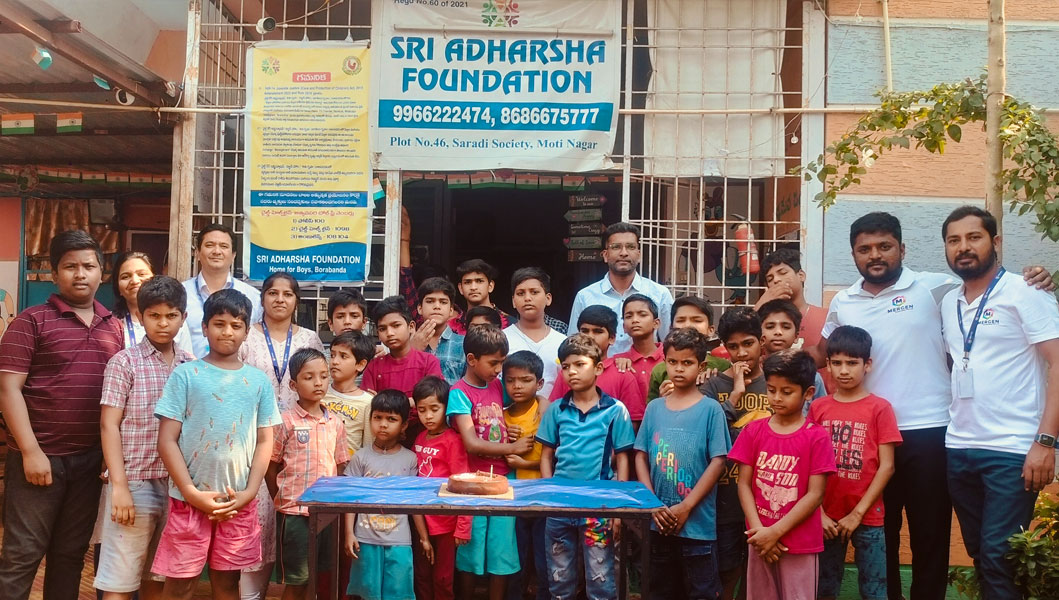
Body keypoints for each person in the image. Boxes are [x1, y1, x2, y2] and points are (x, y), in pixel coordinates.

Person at [815, 211, 1053, 600]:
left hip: (931, 432)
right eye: (865, 249)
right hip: (871, 436)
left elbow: (991, 283)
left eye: (885, 246)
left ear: (902, 248)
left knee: (930, 534)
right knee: (880, 534)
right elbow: (821, 353)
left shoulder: (937, 288)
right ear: (853, 254)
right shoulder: (843, 301)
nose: (875, 255)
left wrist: (1038, 276)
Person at [938, 206, 1059, 599]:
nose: (963, 247)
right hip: (960, 447)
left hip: (1012, 449)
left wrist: (1045, 442)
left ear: (996, 242)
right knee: (981, 554)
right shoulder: (949, 302)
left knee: (998, 556)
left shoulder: (1026, 291)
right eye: (954, 240)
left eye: (974, 237)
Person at [0, 230, 124, 600]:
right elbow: (8, 389)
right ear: (55, 274)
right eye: (70, 267)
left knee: (70, 556)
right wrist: (31, 451)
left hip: (89, 463)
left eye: (89, 266)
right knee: (21, 556)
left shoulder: (113, 326)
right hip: (39, 461)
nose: (80, 274)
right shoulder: (31, 321)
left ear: (101, 273)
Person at [151, 288, 280, 600]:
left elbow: (266, 441)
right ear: (204, 327)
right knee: (180, 584)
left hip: (237, 502)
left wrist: (250, 492)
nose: (227, 332)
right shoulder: (185, 375)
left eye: (236, 325)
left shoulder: (259, 381)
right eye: (219, 324)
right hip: (188, 500)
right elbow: (166, 440)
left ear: (246, 332)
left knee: (227, 584)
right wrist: (191, 493)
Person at [95, 276, 196, 600]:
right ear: (140, 315)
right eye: (154, 315)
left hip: (177, 486)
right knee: (120, 581)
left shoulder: (191, 366)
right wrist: (119, 486)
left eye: (171, 315)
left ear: (183, 317)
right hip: (134, 482)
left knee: (158, 577)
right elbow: (109, 425)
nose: (163, 323)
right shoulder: (124, 363)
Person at [238, 271, 324, 599]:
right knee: (256, 524)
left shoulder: (310, 339)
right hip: (252, 444)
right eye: (272, 292)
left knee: (294, 528)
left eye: (287, 294)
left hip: (299, 448)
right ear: (262, 298)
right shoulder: (246, 336)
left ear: (296, 301)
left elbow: (319, 386)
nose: (279, 299)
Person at [536, 333, 636, 600]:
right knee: (559, 579)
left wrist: (618, 509)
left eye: (580, 364)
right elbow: (546, 456)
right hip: (559, 506)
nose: (572, 372)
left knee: (600, 577)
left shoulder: (615, 410)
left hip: (598, 507)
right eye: (566, 366)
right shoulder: (556, 410)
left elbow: (623, 458)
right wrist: (549, 494)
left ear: (598, 368)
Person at [729, 350, 835, 600]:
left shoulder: (817, 437)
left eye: (787, 392)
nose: (777, 398)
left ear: (808, 393)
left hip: (799, 544)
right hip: (759, 540)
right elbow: (743, 484)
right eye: (771, 390)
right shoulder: (753, 431)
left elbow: (815, 495)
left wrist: (775, 532)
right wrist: (759, 532)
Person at [634, 328, 730, 600]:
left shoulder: (711, 409)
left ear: (702, 366)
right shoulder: (655, 408)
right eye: (673, 362)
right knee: (660, 591)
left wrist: (686, 506)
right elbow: (640, 455)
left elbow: (718, 461)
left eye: (687, 362)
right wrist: (651, 503)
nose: (679, 368)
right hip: (657, 521)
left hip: (698, 527)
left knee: (701, 592)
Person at [808, 326, 900, 600]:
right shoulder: (818, 408)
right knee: (823, 589)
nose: (844, 370)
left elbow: (887, 466)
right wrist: (818, 513)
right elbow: (808, 463)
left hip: (867, 516)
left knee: (875, 590)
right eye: (837, 363)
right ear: (828, 365)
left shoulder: (880, 408)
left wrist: (857, 514)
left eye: (852, 363)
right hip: (826, 517)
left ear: (867, 364)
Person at [447, 325, 532, 600]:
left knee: (501, 549)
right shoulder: (459, 392)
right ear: (471, 359)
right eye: (493, 363)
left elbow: (523, 401)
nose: (499, 369)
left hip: (504, 480)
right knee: (470, 548)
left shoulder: (497, 385)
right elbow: (471, 442)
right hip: (472, 483)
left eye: (501, 362)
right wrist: (511, 447)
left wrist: (515, 423)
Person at [266, 348, 348, 600]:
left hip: (325, 512)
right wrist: (282, 499)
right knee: (297, 581)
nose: (318, 382)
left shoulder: (335, 423)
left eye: (323, 376)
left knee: (317, 577)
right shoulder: (285, 421)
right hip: (295, 514)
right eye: (309, 377)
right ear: (293, 384)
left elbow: (340, 466)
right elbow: (271, 465)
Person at [700, 306, 768, 600]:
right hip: (725, 499)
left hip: (768, 498)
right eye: (733, 346)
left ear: (761, 342)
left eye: (748, 343)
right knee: (726, 572)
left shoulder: (778, 382)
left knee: (761, 574)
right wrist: (736, 394)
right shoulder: (711, 385)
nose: (741, 353)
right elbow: (707, 437)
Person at [344, 390, 425, 600]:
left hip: (400, 539)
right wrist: (349, 533)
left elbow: (414, 502)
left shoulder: (410, 458)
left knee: (398, 591)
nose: (383, 424)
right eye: (377, 417)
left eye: (391, 419)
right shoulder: (361, 457)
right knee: (367, 592)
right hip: (365, 538)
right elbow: (352, 498)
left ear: (404, 425)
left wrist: (424, 537)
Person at [569, 222, 675, 356]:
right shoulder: (585, 296)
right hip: (599, 369)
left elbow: (671, 344)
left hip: (646, 368)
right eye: (616, 247)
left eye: (630, 247)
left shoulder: (659, 294)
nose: (624, 253)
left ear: (639, 255)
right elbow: (574, 347)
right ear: (605, 255)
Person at [411, 376, 472, 600]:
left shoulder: (453, 441)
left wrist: (463, 527)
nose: (428, 416)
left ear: (446, 408)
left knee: (443, 577)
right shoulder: (419, 438)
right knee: (421, 574)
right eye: (422, 410)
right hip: (421, 519)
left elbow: (463, 483)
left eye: (434, 409)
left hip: (447, 522)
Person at [363, 295, 443, 447]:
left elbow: (432, 400)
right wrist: (413, 402)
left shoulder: (428, 362)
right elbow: (368, 404)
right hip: (385, 443)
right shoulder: (374, 366)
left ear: (411, 327)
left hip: (424, 440)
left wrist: (385, 402)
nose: (390, 333)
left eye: (396, 325)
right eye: (382, 328)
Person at [547, 304, 646, 426]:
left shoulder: (622, 374)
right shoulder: (568, 372)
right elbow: (553, 413)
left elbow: (633, 421)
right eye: (584, 331)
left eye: (598, 331)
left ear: (612, 338)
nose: (590, 336)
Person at [502, 351, 548, 600]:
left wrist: (524, 463)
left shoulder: (545, 412)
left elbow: (555, 458)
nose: (517, 386)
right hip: (514, 499)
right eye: (510, 380)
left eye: (525, 380)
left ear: (539, 383)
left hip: (542, 496)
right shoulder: (502, 416)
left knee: (544, 559)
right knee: (516, 558)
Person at [182, 223, 262, 358]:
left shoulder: (253, 297)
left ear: (233, 255)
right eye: (209, 245)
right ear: (197, 253)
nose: (217, 251)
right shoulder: (181, 293)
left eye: (224, 246)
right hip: (189, 369)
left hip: (237, 369)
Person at [647, 295, 731, 401]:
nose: (688, 325)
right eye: (681, 320)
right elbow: (651, 407)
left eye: (697, 320)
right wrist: (662, 400)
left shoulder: (723, 367)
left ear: (711, 330)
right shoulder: (660, 371)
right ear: (671, 328)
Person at [111, 251, 194, 355]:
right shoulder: (110, 323)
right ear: (118, 287)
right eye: (125, 277)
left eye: (141, 274)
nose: (135, 281)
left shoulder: (175, 318)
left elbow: (186, 360)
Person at [504, 267, 568, 399]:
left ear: (548, 298)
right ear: (513, 301)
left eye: (534, 292)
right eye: (521, 293)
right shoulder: (502, 340)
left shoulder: (562, 342)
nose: (527, 298)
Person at [757, 299, 828, 407]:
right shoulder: (751, 373)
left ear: (796, 335)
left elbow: (821, 412)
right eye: (770, 327)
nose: (778, 332)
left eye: (786, 327)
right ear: (759, 333)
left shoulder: (811, 377)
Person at [324, 330, 377, 458]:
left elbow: (369, 446)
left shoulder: (367, 402)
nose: (335, 361)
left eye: (343, 356)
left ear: (360, 364)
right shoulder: (319, 393)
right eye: (332, 355)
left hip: (350, 468)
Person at [414, 277, 465, 384]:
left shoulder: (464, 344)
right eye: (430, 301)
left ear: (451, 310)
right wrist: (413, 351)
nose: (437, 306)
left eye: (443, 302)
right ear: (420, 308)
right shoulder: (409, 344)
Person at [614, 294, 663, 397]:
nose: (635, 320)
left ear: (656, 323)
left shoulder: (670, 358)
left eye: (642, 315)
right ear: (624, 327)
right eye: (629, 316)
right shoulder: (617, 362)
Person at [450, 259, 516, 334]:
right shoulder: (451, 329)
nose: (473, 287)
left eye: (479, 281)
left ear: (490, 286)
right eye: (467, 282)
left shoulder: (511, 325)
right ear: (460, 288)